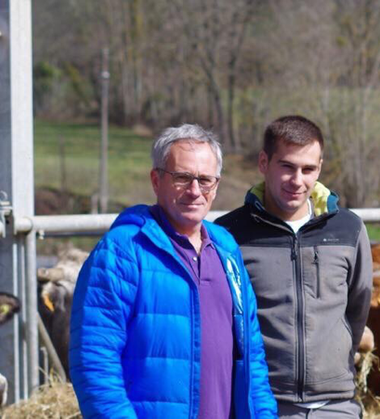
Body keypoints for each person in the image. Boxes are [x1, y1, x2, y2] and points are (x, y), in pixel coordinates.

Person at [69, 124, 276, 419]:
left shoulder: (226, 250)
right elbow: (94, 362)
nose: (195, 191)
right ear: (156, 180)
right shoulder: (122, 251)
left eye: (205, 180)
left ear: (216, 186)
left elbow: (252, 356)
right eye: (182, 177)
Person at [215, 115, 372, 418]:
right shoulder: (229, 234)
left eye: (308, 169)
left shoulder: (348, 229)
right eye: (286, 166)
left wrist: (336, 363)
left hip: (337, 405)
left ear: (320, 168)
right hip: (263, 404)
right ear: (264, 163)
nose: (297, 180)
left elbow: (358, 307)